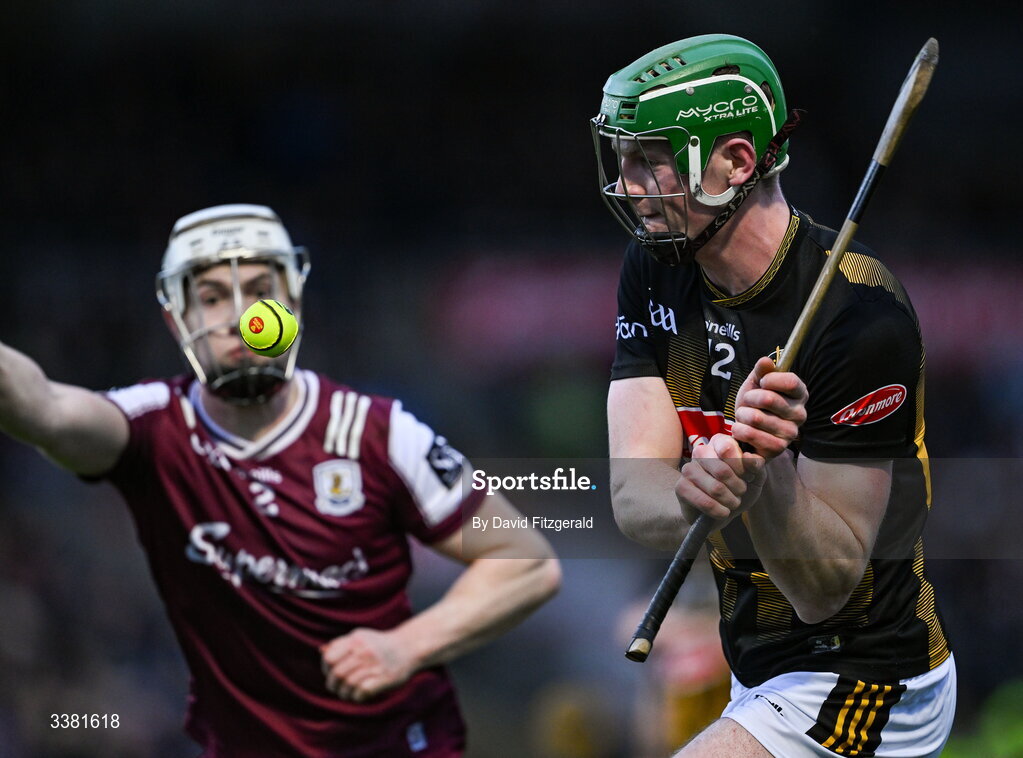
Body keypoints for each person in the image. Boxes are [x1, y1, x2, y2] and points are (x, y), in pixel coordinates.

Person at [0, 203, 561, 757]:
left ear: (292, 300)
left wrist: (406, 646)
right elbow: (43, 407)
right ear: (177, 320)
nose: (242, 317)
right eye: (213, 297)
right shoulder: (152, 428)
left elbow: (525, 561)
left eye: (260, 290)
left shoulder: (377, 432)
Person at [594, 35, 955, 757]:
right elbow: (635, 496)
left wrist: (767, 474)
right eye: (622, 158)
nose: (629, 185)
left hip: (865, 675)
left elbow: (825, 587)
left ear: (733, 161)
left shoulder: (859, 315)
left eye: (650, 159)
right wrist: (697, 493)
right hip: (755, 669)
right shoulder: (655, 268)